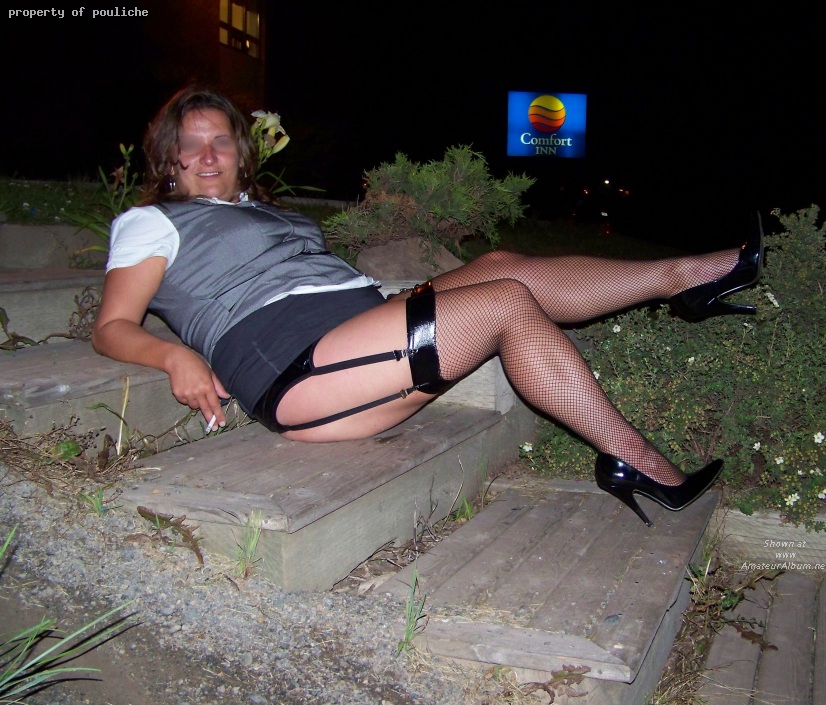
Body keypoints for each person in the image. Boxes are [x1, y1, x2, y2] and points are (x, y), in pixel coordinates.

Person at [92, 87, 763, 527]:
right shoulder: (153, 222)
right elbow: (112, 326)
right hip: (297, 368)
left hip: (357, 326)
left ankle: (685, 277)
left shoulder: (262, 210)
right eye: (191, 143)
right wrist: (174, 355)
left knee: (500, 265)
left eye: (220, 140)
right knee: (504, 301)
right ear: (170, 157)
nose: (208, 154)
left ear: (241, 151)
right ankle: (632, 457)